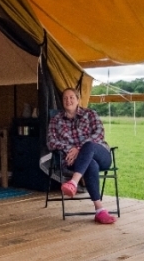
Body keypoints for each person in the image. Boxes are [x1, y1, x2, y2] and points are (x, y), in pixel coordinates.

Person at [47, 88, 116, 224]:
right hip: (76, 161)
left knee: (88, 146)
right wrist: (69, 149)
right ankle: (99, 210)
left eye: (72, 97)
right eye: (65, 98)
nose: (68, 100)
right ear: (62, 102)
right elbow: (51, 142)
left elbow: (99, 134)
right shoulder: (56, 120)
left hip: (100, 154)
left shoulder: (90, 114)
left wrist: (79, 149)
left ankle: (73, 182)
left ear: (78, 99)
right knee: (90, 164)